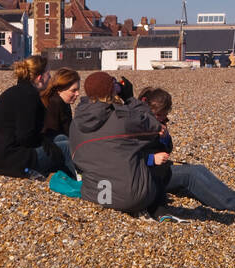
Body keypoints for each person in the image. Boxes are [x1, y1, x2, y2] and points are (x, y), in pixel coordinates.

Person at [136, 87, 235, 220]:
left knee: (198, 169)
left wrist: (164, 138)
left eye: (165, 114)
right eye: (159, 115)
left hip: (159, 170)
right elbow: (128, 157)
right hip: (146, 174)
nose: (162, 118)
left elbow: (167, 149)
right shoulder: (136, 125)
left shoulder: (156, 123)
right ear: (148, 109)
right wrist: (151, 159)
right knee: (191, 174)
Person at [69, 72, 170, 216]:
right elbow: (153, 126)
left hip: (94, 195)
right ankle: (160, 211)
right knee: (161, 165)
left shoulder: (76, 123)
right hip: (130, 198)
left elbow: (76, 158)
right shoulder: (122, 117)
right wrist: (129, 97)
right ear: (112, 90)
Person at [0, 55, 64, 178]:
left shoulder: (15, 91)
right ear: (40, 78)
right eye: (48, 73)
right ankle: (78, 181)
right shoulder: (28, 96)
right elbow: (25, 137)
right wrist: (44, 141)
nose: (50, 77)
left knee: (60, 138)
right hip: (9, 159)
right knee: (65, 148)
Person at [41, 68, 81, 178]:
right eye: (73, 90)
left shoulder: (61, 102)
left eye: (78, 90)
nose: (77, 94)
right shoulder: (55, 103)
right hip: (47, 148)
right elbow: (52, 132)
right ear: (59, 89)